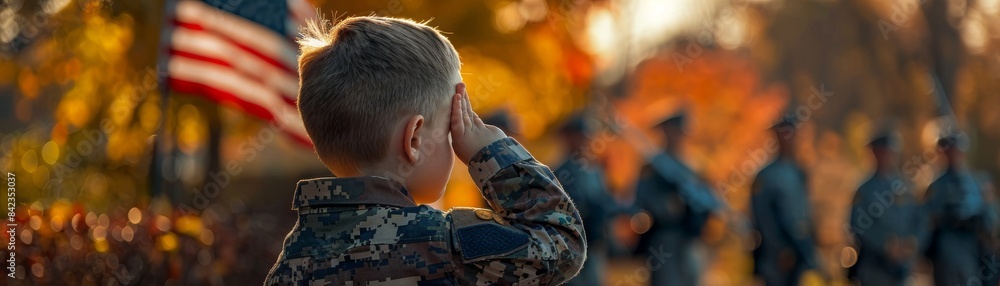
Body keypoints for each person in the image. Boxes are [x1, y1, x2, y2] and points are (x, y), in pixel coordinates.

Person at [264, 16, 586, 285]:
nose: (458, 140)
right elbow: (562, 241)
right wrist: (491, 152)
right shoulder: (443, 246)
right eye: (452, 129)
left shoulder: (290, 263)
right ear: (415, 139)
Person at [633, 112, 720, 286]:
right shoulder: (655, 166)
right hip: (666, 238)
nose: (677, 135)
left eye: (680, 131)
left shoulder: (694, 165)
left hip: (692, 239)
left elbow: (709, 200)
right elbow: (646, 201)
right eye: (672, 130)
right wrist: (672, 205)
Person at [847, 130, 923, 285]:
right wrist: (885, 244)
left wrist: (912, 243)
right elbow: (856, 224)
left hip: (902, 268)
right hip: (874, 266)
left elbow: (920, 219)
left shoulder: (906, 187)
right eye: (881, 152)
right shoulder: (864, 189)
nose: (886, 156)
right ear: (874, 153)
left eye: (890, 152)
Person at [750, 117, 819, 286]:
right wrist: (779, 248)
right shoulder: (766, 176)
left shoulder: (798, 171)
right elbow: (763, 218)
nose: (789, 139)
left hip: (799, 249)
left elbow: (804, 213)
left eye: (792, 134)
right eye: (784, 134)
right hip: (776, 254)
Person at [554, 114, 617, 286]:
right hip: (570, 248)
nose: (585, 140)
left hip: (594, 244)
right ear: (568, 136)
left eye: (586, 135)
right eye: (580, 135)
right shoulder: (558, 172)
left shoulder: (594, 171)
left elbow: (605, 202)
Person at [923, 133, 986, 286]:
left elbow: (984, 214)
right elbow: (928, 219)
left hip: (971, 246)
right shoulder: (936, 186)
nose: (954, 155)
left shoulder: (974, 182)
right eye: (949, 151)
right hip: (946, 247)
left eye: (957, 150)